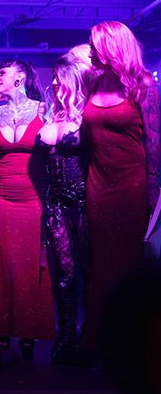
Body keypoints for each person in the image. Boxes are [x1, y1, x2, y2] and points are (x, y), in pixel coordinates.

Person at [80, 21, 160, 358]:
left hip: (131, 184)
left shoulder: (143, 86)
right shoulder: (95, 81)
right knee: (100, 260)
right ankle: (97, 337)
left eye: (94, 45)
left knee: (126, 261)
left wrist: (153, 193)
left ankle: (128, 341)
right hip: (98, 184)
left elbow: (154, 143)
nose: (90, 50)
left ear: (111, 47)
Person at [0, 59, 54, 359]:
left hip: (31, 195)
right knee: (1, 259)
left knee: (27, 262)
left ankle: (27, 330)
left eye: (2, 73)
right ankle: (2, 329)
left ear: (20, 77)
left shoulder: (44, 110)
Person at [37, 51, 96, 364]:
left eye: (61, 79)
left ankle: (90, 338)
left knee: (89, 272)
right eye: (54, 80)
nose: (56, 84)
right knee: (64, 272)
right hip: (57, 203)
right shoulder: (51, 115)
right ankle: (66, 335)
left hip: (86, 202)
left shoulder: (90, 114)